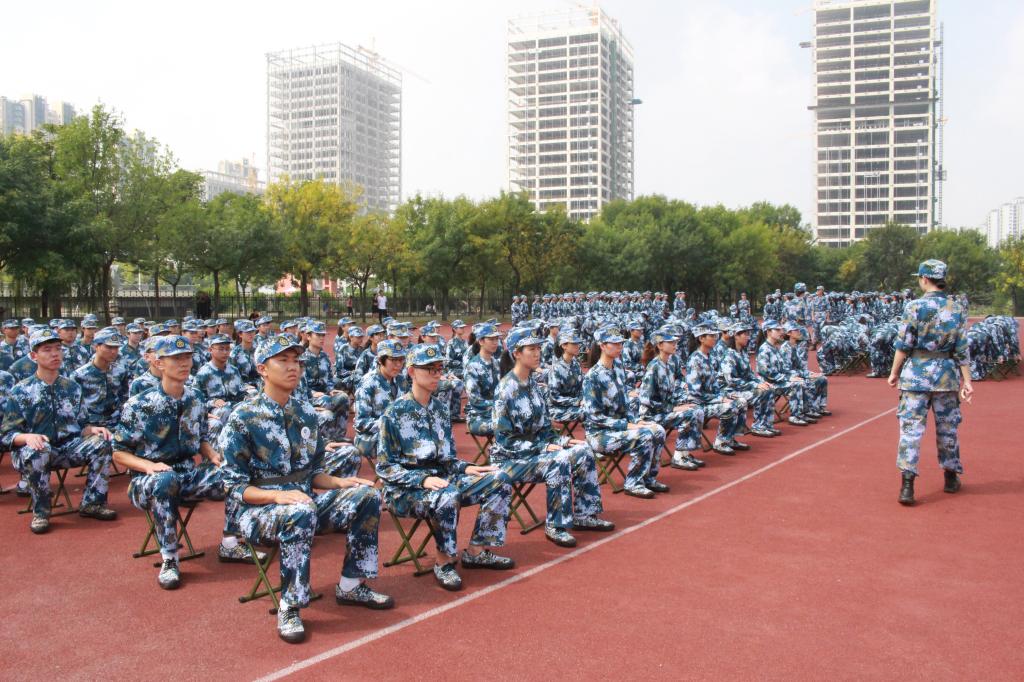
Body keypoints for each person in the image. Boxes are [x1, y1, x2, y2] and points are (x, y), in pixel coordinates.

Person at [219, 333, 393, 643]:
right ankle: (290, 605)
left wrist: (341, 482)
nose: (293, 367)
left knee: (367, 495)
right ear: (262, 369)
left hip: (305, 502)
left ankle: (351, 585)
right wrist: (277, 496)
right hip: (260, 512)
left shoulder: (305, 413)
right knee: (299, 510)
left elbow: (314, 472)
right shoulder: (243, 418)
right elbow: (234, 487)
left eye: (296, 361)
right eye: (282, 360)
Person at [113, 335, 258, 590]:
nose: (183, 363)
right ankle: (170, 557)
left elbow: (201, 438)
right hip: (147, 480)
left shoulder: (195, 399)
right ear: (159, 363)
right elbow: (118, 453)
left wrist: (213, 456)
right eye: (176, 358)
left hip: (186, 475)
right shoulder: (140, 404)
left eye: (187, 357)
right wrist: (148, 466)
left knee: (234, 472)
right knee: (165, 479)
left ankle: (230, 542)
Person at [377, 344, 515, 592]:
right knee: (448, 494)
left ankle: (476, 550)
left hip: (442, 479)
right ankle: (444, 561)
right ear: (412, 372)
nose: (436, 375)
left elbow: (447, 460)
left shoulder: (440, 410)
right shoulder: (394, 413)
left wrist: (466, 468)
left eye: (439, 369)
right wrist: (421, 480)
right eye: (429, 369)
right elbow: (385, 468)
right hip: (405, 490)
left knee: (500, 478)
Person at [492, 328, 613, 548]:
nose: (537, 353)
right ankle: (556, 524)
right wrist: (543, 447)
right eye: (531, 349)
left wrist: (563, 441)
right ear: (516, 353)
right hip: (510, 458)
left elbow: (546, 429)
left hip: (536, 452)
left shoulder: (534, 385)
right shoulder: (505, 389)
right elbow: (504, 441)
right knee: (559, 461)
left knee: (584, 450)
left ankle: (585, 514)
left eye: (538, 348)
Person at [0, 329, 117, 534]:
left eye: (58, 349)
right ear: (34, 356)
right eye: (47, 350)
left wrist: (92, 429)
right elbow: (7, 435)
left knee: (102, 441)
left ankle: (92, 503)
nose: (55, 354)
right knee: (39, 449)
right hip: (33, 451)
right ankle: (41, 512)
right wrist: (27, 437)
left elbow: (81, 425)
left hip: (67, 448)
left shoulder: (72, 387)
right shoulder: (21, 391)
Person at [888, 259, 972, 506]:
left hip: (916, 375)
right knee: (948, 428)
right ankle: (950, 477)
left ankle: (907, 486)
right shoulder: (956, 308)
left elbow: (903, 345)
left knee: (911, 430)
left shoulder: (914, 306)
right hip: (946, 376)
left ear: (924, 279)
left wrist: (894, 372)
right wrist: (967, 381)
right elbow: (962, 348)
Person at [581, 325, 667, 498]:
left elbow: (625, 404)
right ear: (602, 346)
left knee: (658, 430)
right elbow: (595, 417)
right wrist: (626, 425)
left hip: (621, 426)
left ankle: (649, 478)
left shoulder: (618, 368)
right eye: (614, 343)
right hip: (599, 434)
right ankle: (633, 482)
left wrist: (635, 421)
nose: (619, 346)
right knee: (644, 436)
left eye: (620, 343)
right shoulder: (593, 376)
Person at [638, 327, 706, 471]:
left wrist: (681, 402)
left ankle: (685, 453)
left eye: (675, 342)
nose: (675, 345)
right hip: (652, 415)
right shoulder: (654, 367)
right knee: (688, 414)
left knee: (696, 408)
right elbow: (646, 399)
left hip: (663, 410)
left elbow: (670, 393)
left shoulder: (667, 365)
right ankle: (678, 457)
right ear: (660, 345)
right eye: (670, 342)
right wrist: (673, 408)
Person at [685, 323, 748, 455]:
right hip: (699, 403)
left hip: (711, 399)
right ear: (701, 338)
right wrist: (720, 399)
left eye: (716, 335)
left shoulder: (709, 357)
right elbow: (696, 392)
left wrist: (725, 395)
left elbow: (715, 385)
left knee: (741, 401)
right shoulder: (695, 359)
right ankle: (720, 442)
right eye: (712, 336)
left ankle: (730, 438)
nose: (715, 338)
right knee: (730, 407)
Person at [193, 334, 247, 439]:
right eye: (221, 349)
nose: (225, 352)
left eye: (227, 349)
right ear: (210, 350)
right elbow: (196, 400)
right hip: (214, 410)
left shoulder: (233, 370)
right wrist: (212, 402)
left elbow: (242, 393)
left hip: (233, 405)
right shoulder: (204, 373)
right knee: (225, 411)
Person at [464, 322, 502, 437]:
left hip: (498, 412)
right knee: (507, 425)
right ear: (481, 341)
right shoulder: (473, 366)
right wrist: (500, 408)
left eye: (497, 339)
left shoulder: (496, 363)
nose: (495, 342)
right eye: (491, 339)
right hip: (477, 416)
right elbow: (475, 400)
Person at [546, 330, 585, 424]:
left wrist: (584, 399)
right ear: (564, 346)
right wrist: (577, 402)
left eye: (577, 343)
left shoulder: (575, 364)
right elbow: (554, 397)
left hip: (574, 405)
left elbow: (581, 386)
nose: (578, 346)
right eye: (574, 343)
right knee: (589, 413)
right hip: (558, 409)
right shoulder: (556, 368)